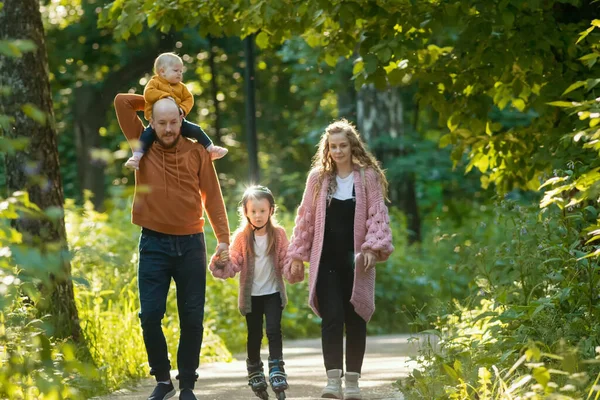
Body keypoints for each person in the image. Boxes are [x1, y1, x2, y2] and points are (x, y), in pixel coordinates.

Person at [114, 94, 230, 400]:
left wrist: (223, 240)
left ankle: (187, 385)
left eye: (174, 122)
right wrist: (161, 95)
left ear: (183, 121)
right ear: (151, 122)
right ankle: (163, 380)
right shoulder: (142, 146)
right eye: (161, 122)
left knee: (192, 318)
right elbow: (122, 102)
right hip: (153, 243)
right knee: (150, 315)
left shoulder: (197, 151)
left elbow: (213, 198)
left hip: (192, 244)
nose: (168, 129)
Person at [283, 119, 394, 400]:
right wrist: (297, 255)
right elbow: (305, 218)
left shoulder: (368, 176)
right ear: (327, 148)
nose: (339, 151)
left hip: (358, 262)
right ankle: (333, 380)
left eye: (343, 145)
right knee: (331, 318)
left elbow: (377, 215)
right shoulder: (318, 179)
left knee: (356, 317)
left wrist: (371, 247)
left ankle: (353, 382)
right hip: (326, 261)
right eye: (333, 146)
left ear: (352, 145)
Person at [209, 185, 296, 400]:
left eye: (262, 211)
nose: (258, 216)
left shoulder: (279, 235)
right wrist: (221, 262)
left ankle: (276, 368)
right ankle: (255, 369)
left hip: (274, 292)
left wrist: (294, 266)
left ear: (271, 211)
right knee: (254, 334)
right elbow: (234, 265)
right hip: (251, 297)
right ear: (246, 212)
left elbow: (285, 260)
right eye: (253, 211)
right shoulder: (241, 237)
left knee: (274, 330)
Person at [124, 52, 227, 170]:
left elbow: (189, 99)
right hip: (157, 124)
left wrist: (183, 109)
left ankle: (211, 148)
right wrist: (164, 95)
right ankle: (136, 157)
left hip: (178, 122)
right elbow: (148, 94)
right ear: (162, 71)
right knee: (145, 137)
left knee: (196, 130)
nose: (179, 74)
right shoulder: (154, 83)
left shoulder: (181, 87)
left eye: (181, 71)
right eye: (176, 70)